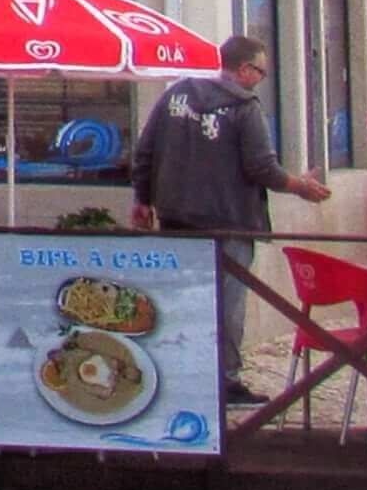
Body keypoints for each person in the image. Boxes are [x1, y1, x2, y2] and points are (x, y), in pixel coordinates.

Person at [127, 36, 332, 402]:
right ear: (243, 69)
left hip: (176, 217)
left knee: (182, 300)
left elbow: (145, 150)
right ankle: (224, 383)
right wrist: (300, 186)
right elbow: (261, 167)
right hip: (229, 220)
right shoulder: (244, 107)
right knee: (226, 307)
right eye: (261, 72)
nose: (262, 80)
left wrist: (142, 199)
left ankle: (180, 375)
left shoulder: (176, 96)